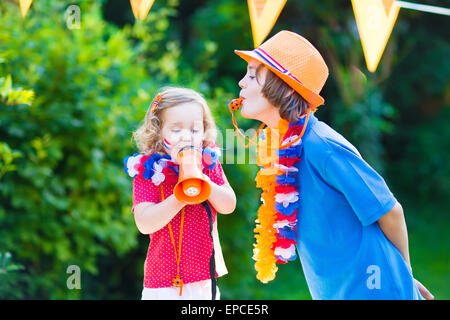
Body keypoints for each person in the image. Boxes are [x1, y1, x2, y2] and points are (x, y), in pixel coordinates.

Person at [232, 30, 433, 300]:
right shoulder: (281, 148)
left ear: (284, 87)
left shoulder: (322, 145)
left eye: (253, 74)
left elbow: (390, 210)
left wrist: (403, 276)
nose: (242, 82)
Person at [124, 87, 236, 299]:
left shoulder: (209, 165)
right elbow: (144, 222)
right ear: (159, 132)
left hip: (204, 280)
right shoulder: (148, 172)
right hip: (163, 283)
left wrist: (203, 182)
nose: (186, 137)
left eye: (194, 130)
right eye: (176, 130)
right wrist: (180, 196)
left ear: (204, 132)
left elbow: (228, 205)